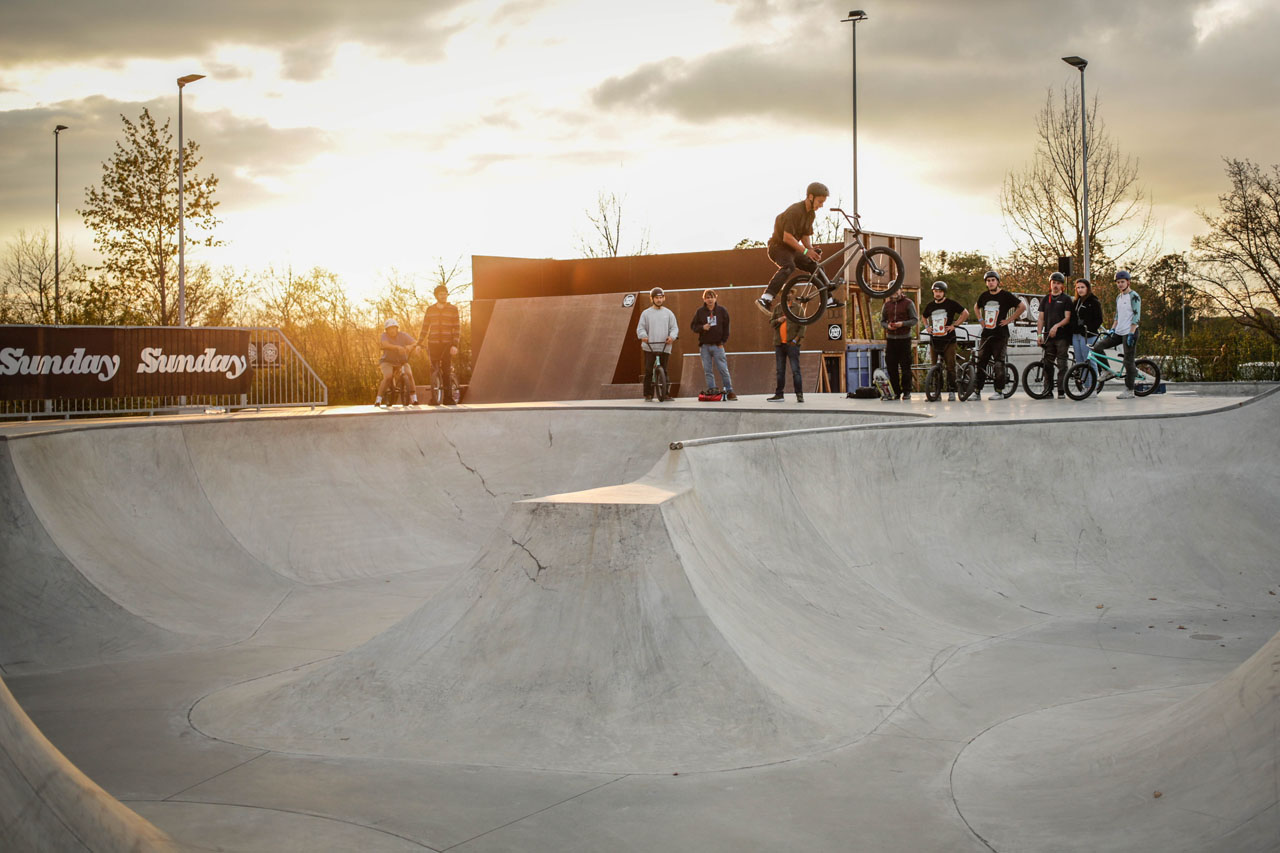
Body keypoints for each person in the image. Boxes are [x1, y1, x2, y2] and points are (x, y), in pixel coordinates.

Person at [756, 182, 838, 315]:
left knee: (817, 267)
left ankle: (828, 301)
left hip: (792, 250)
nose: (821, 205)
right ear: (810, 197)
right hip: (778, 247)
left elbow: (805, 237)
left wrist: (811, 250)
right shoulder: (795, 211)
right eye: (820, 201)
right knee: (789, 266)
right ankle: (766, 298)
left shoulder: (810, 214)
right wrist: (806, 251)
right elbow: (787, 238)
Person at [971, 270, 1025, 399]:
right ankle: (977, 391)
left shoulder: (1005, 295)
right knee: (981, 362)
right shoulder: (984, 296)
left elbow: (1022, 306)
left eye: (993, 280)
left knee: (998, 363)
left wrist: (1009, 320)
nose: (990, 283)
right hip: (986, 333)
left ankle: (999, 391)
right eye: (988, 281)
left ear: (997, 282)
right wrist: (980, 320)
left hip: (1000, 334)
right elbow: (976, 307)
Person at [1091, 270, 1143, 399]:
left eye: (1122, 282)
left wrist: (1131, 333)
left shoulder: (1134, 296)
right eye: (1118, 282)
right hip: (1119, 332)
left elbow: (1136, 316)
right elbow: (1117, 316)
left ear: (1128, 282)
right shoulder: (1119, 297)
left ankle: (1130, 390)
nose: (1120, 284)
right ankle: (1107, 370)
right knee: (1097, 347)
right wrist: (1112, 330)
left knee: (1128, 360)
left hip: (1130, 332)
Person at [921, 281, 968, 401]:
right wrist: (927, 327)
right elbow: (924, 316)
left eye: (940, 292)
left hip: (949, 340)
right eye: (935, 292)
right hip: (935, 340)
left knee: (950, 367)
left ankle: (952, 391)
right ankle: (937, 392)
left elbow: (965, 313)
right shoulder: (930, 305)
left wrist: (955, 325)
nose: (937, 294)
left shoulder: (951, 304)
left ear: (944, 292)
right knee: (934, 367)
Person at [417, 284, 462, 405]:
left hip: (447, 344)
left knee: (446, 370)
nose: (444, 296)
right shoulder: (430, 309)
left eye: (445, 294)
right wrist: (418, 343)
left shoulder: (453, 309)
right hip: (433, 343)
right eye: (441, 294)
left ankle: (448, 398)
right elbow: (425, 327)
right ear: (436, 296)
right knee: (433, 369)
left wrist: (455, 345)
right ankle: (434, 397)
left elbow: (457, 328)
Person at [690, 289, 737, 400]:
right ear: (704, 299)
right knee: (708, 370)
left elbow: (726, 328)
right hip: (704, 346)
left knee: (723, 369)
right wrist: (702, 327)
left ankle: (729, 391)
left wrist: (722, 342)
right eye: (707, 297)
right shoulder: (700, 312)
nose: (710, 299)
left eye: (711, 297)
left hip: (718, 345)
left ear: (716, 298)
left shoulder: (722, 311)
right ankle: (712, 390)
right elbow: (693, 326)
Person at [1036, 272, 1074, 398]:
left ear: (1062, 285)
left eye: (1058, 283)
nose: (1056, 286)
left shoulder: (1066, 299)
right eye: (1054, 283)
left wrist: (1056, 326)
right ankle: (1048, 390)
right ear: (1050, 284)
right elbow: (1041, 319)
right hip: (1048, 337)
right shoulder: (1046, 299)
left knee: (1062, 364)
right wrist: (1039, 334)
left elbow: (1067, 318)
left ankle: (1061, 390)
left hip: (1062, 337)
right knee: (1048, 364)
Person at [637, 287, 678, 401]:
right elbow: (640, 328)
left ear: (663, 298)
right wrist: (643, 336)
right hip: (650, 346)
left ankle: (665, 394)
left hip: (664, 346)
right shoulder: (646, 313)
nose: (659, 300)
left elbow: (674, 328)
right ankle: (648, 394)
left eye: (661, 297)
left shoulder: (669, 313)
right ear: (652, 299)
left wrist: (672, 337)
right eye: (657, 298)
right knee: (649, 370)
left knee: (664, 370)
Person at [879, 287, 918, 400]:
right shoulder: (886, 305)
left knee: (905, 366)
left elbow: (914, 320)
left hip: (904, 339)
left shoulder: (908, 303)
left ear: (901, 290)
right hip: (891, 339)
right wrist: (888, 326)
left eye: (896, 290)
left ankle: (907, 391)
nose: (895, 292)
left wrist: (902, 324)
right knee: (891, 367)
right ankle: (896, 391)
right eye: (892, 290)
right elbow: (882, 321)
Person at [767, 294, 805, 402]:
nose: (787, 294)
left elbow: (803, 325)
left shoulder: (798, 308)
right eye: (785, 292)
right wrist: (779, 320)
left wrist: (795, 340)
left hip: (792, 345)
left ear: (793, 294)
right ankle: (779, 395)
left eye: (789, 292)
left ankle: (799, 395)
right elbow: (771, 322)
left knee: (795, 371)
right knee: (780, 371)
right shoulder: (778, 307)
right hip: (779, 344)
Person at [375, 319, 420, 407]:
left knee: (409, 374)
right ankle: (378, 399)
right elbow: (385, 344)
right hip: (387, 361)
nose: (392, 330)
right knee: (388, 376)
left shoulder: (403, 335)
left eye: (393, 328)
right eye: (389, 329)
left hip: (402, 361)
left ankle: (414, 399)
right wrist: (397, 348)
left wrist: (409, 347)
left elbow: (415, 342)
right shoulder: (384, 336)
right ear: (386, 330)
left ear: (397, 328)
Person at [1070, 278, 1103, 366]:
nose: (1080, 290)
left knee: (1089, 361)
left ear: (1087, 288)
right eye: (1078, 288)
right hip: (1076, 335)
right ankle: (1083, 380)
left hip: (1088, 335)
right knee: (1079, 361)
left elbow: (1099, 319)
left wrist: (1088, 329)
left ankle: (1092, 380)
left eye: (1082, 287)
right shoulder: (1076, 302)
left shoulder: (1094, 302)